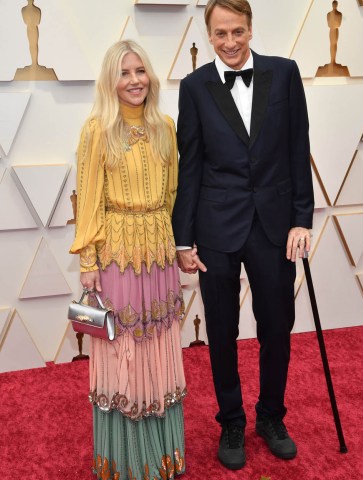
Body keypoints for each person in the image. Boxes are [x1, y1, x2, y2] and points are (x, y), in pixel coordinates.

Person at [172, 0, 314, 471]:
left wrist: (301, 219)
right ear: (208, 35)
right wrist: (183, 238)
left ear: (251, 29)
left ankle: (271, 416)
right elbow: (189, 165)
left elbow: (299, 149)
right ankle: (231, 420)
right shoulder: (194, 87)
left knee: (277, 325)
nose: (230, 42)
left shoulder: (285, 74)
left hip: (275, 225)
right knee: (222, 329)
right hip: (215, 226)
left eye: (237, 31)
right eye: (220, 33)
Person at [70, 40, 187, 480]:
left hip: (158, 249)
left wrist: (179, 245)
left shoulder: (165, 126)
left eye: (140, 71)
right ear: (110, 81)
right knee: (123, 349)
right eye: (125, 73)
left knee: (158, 344)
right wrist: (88, 258)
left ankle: (162, 455)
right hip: (118, 251)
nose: (135, 80)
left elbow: (174, 193)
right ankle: (128, 461)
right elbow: (90, 200)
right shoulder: (97, 129)